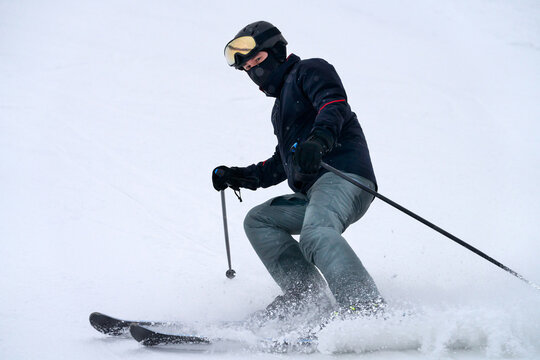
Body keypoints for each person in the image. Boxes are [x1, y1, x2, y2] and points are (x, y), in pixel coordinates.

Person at [213, 21, 384, 322]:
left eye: (259, 61)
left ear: (278, 53)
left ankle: (367, 311)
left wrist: (319, 140)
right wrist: (239, 176)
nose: (255, 72)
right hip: (315, 192)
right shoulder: (280, 109)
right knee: (259, 220)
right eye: (248, 68)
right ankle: (307, 299)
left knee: (315, 234)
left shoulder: (310, 70)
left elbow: (334, 105)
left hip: (343, 176)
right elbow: (283, 161)